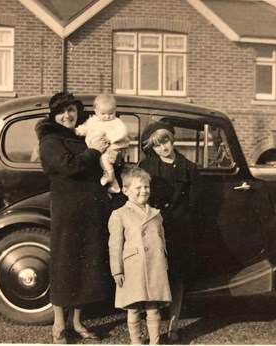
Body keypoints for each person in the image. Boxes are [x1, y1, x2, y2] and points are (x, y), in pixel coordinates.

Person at [35, 91, 111, 344]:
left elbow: (100, 158)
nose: (68, 115)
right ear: (54, 116)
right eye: (62, 112)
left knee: (86, 265)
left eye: (71, 110)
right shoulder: (50, 140)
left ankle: (77, 322)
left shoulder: (83, 133)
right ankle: (59, 325)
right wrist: (93, 151)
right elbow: (69, 165)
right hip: (68, 211)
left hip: (90, 209)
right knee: (65, 264)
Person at [138, 121, 200, 344]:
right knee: (152, 277)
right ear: (152, 148)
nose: (163, 147)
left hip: (180, 230)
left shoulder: (190, 168)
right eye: (157, 145)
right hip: (153, 230)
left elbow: (194, 204)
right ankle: (152, 328)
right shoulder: (146, 166)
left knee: (177, 279)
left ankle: (173, 326)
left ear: (172, 139)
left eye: (165, 141)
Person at [108, 166, 172, 345]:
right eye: (138, 188)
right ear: (125, 191)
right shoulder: (119, 214)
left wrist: (163, 263)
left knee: (153, 308)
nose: (143, 191)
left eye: (146, 187)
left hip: (155, 266)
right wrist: (117, 271)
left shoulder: (156, 214)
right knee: (134, 307)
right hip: (132, 268)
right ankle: (135, 341)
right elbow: (115, 245)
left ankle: (155, 341)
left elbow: (162, 239)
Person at [75, 93, 129, 194]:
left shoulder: (116, 122)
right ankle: (114, 185)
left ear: (115, 111)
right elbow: (86, 127)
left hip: (111, 146)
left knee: (104, 159)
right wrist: (79, 131)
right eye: (103, 114)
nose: (107, 117)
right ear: (95, 111)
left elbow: (122, 132)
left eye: (111, 113)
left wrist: (110, 137)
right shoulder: (92, 121)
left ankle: (109, 176)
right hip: (96, 148)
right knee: (102, 162)